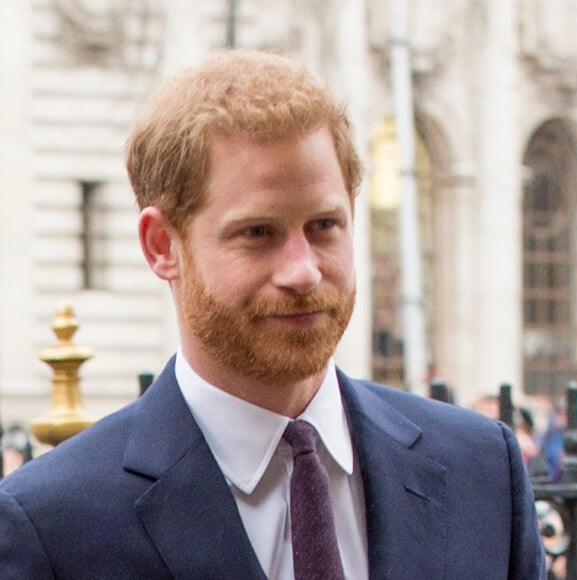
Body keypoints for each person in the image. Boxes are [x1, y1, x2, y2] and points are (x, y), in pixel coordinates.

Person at [0, 48, 545, 579]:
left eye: (324, 226)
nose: (302, 270)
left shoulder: (482, 472)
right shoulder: (51, 525)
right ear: (162, 245)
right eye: (258, 233)